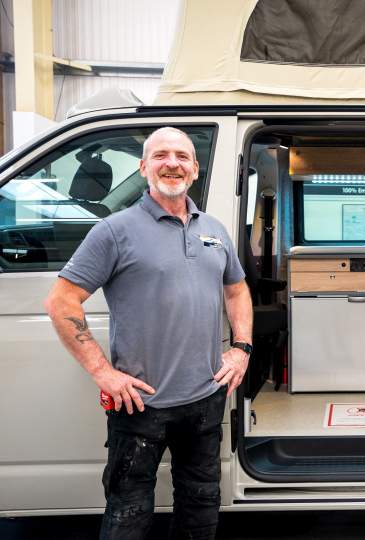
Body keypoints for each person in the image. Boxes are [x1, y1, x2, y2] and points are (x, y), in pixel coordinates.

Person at [44, 126, 253, 540]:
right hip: (139, 404)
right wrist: (103, 373)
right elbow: (61, 302)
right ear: (143, 167)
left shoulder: (213, 228)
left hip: (205, 397)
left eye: (181, 156)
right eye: (160, 155)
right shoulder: (114, 231)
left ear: (194, 169)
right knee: (128, 512)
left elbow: (237, 288)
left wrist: (242, 348)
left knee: (200, 507)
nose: (171, 163)